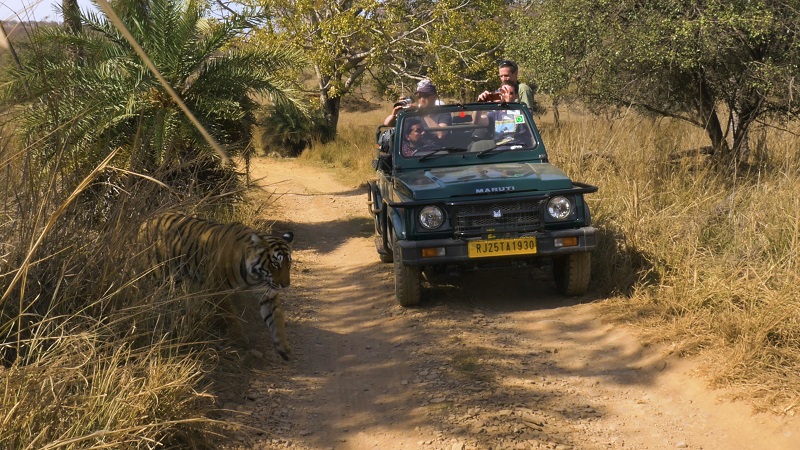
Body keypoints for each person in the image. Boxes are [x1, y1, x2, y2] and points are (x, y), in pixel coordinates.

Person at [384, 79, 451, 140]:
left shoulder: (443, 113)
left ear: (435, 97)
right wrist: (394, 114)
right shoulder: (414, 113)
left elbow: (441, 134)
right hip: (416, 151)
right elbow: (387, 124)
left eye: (425, 95)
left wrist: (423, 114)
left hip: (437, 150)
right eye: (419, 96)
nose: (422, 99)